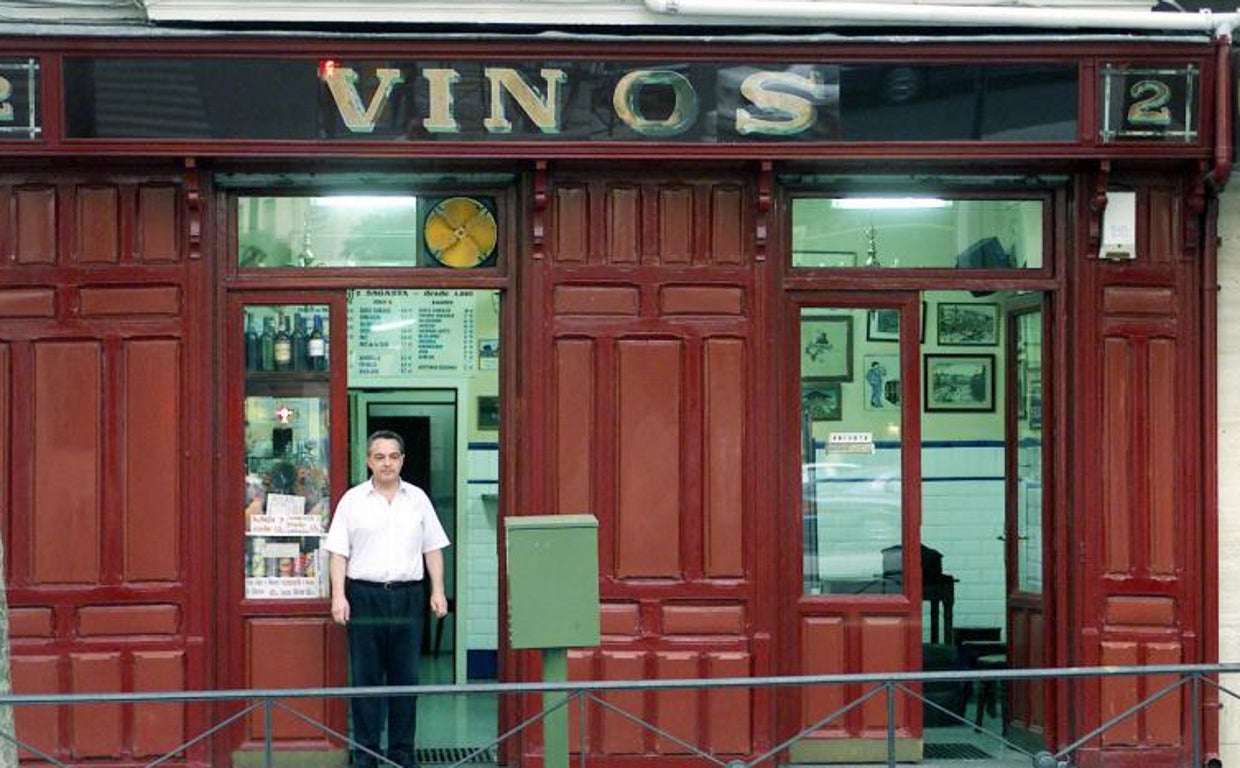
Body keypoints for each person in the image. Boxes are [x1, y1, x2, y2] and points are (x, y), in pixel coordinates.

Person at [325, 430, 450, 768]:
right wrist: (338, 595)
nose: (387, 463)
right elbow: (338, 552)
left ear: (402, 460)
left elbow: (433, 548)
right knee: (366, 678)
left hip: (408, 597)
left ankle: (402, 755)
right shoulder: (352, 500)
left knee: (405, 678)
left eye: (393, 457)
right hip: (364, 596)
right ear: (369, 460)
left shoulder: (418, 499)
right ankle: (366, 755)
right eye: (379, 457)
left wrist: (438, 590)